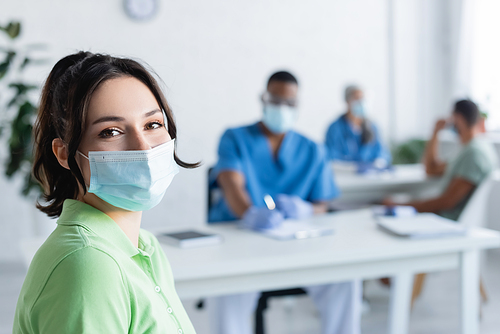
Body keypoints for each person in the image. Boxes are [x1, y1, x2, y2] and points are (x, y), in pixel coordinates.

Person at [13, 52, 198, 333]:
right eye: (111, 132)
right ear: (64, 154)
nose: (143, 146)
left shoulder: (145, 247)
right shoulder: (88, 264)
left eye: (152, 124)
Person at [207, 71, 362, 334]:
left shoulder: (313, 149)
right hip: (241, 240)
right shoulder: (235, 138)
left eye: (289, 103)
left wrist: (306, 210)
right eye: (275, 100)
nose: (282, 108)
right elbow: (231, 185)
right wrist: (249, 213)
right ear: (263, 98)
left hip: (297, 245)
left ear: (297, 106)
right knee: (226, 288)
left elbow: (321, 205)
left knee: (345, 279)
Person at [384, 99, 498, 221]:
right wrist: (436, 132)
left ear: (457, 118)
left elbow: (447, 202)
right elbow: (431, 169)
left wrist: (400, 206)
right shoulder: (472, 149)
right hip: (443, 219)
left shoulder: (474, 153)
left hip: (446, 221)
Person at [325, 85, 391, 166]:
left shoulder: (372, 127)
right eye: (357, 99)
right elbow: (331, 156)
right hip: (345, 176)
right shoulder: (335, 129)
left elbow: (382, 153)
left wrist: (379, 162)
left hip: (370, 175)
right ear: (348, 101)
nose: (361, 102)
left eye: (363, 99)